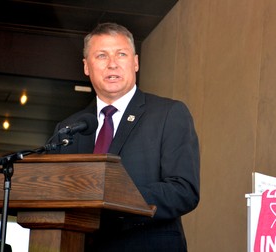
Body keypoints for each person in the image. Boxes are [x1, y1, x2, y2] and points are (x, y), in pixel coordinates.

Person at [46, 22, 200, 251]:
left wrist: (113, 196)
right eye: (101, 55)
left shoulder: (169, 113)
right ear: (86, 67)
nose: (112, 64)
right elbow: (51, 189)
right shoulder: (69, 128)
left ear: (135, 62)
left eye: (121, 54)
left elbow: (183, 190)